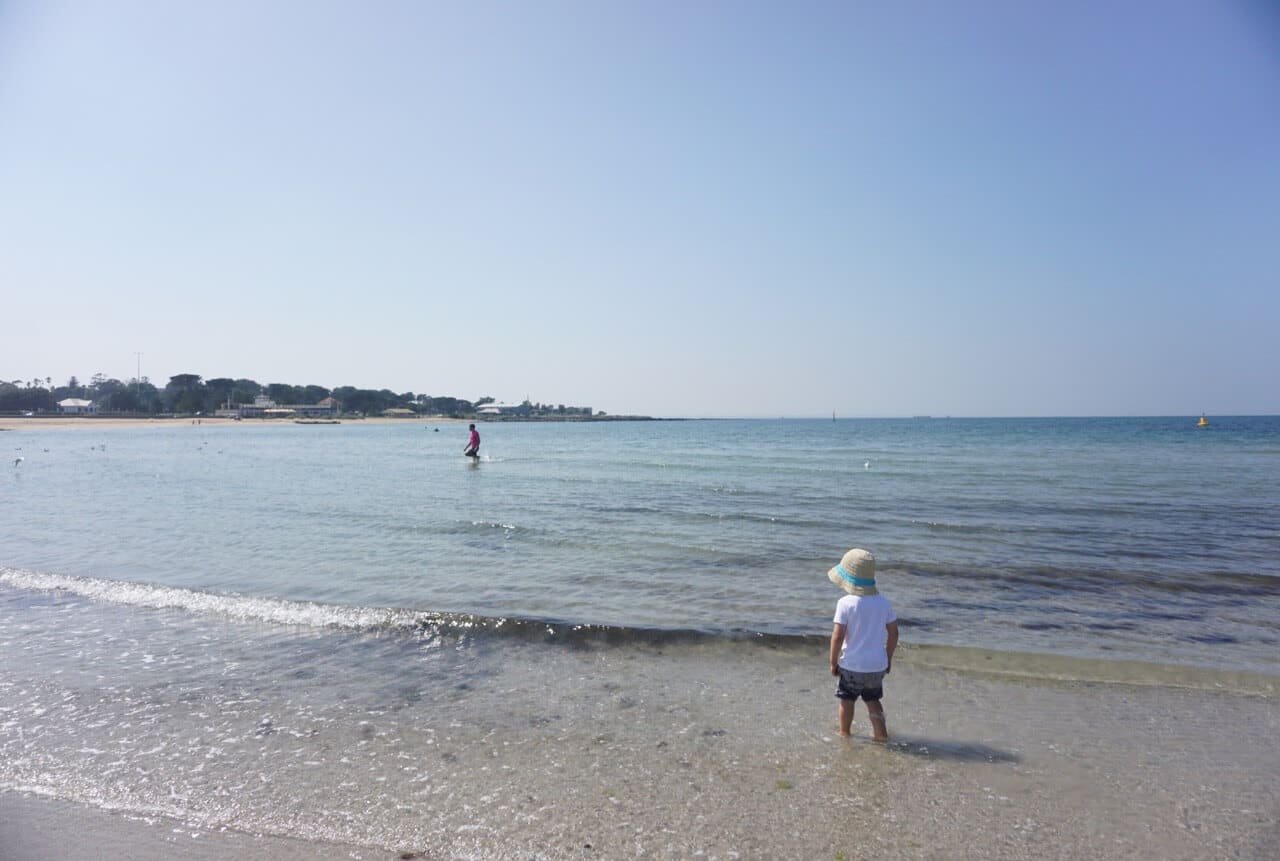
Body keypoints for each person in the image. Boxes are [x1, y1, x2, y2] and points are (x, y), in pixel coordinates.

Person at [827, 548, 898, 741]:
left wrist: (833, 662)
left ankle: (844, 732)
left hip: (852, 665)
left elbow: (837, 636)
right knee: (873, 700)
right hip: (877, 665)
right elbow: (893, 633)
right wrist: (888, 658)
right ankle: (881, 735)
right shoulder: (884, 603)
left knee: (847, 700)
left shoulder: (845, 603)